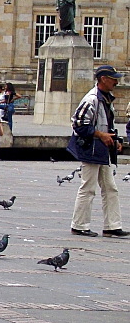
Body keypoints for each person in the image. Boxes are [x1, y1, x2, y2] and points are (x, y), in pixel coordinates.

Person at [67, 65, 128, 237]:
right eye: (113, 78)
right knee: (88, 188)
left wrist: (113, 139)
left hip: (102, 150)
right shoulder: (91, 99)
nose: (116, 81)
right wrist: (100, 135)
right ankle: (79, 225)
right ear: (103, 79)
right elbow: (78, 124)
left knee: (110, 188)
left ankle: (112, 225)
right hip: (91, 149)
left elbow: (106, 124)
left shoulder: (106, 98)